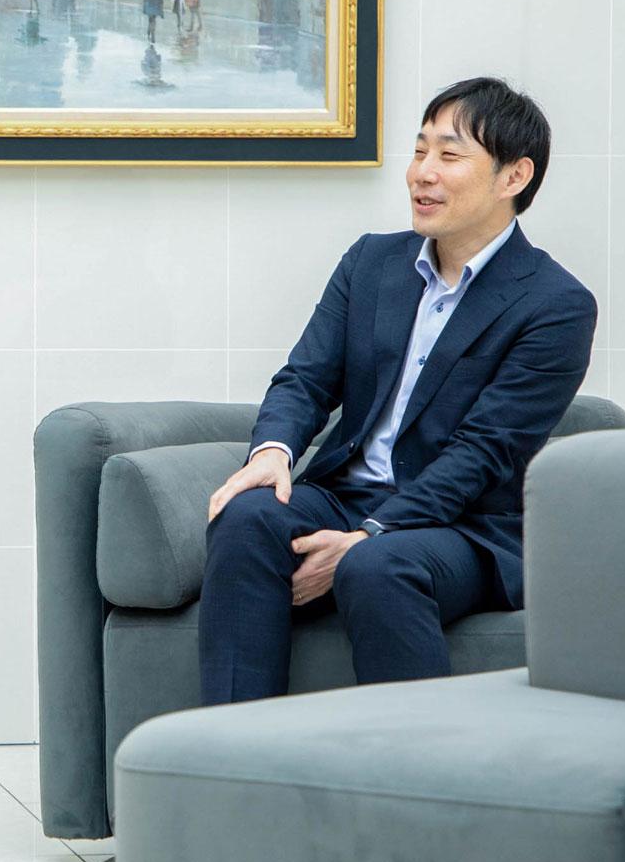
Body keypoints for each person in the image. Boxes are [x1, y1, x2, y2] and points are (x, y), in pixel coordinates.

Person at [200, 77, 596, 704]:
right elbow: (306, 377)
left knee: (378, 565)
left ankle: (415, 761)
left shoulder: (556, 305)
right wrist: (272, 451)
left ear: (514, 177)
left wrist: (369, 536)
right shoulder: (371, 262)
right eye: (419, 151)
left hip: (467, 527)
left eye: (450, 154)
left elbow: (483, 453)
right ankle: (231, 747)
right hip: (345, 493)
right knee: (247, 517)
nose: (422, 173)